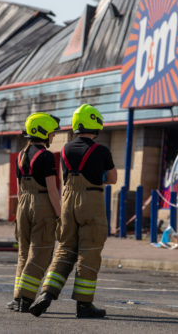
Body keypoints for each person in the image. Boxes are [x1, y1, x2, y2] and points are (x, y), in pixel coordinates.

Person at [29, 104, 117, 319]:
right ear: (95, 123)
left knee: (65, 249)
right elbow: (113, 178)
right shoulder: (101, 150)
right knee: (89, 251)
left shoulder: (66, 149)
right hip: (91, 201)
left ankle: (46, 294)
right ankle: (84, 305)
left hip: (68, 202)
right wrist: (99, 176)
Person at [7, 112, 62, 313]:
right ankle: (27, 298)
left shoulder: (21, 155)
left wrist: (19, 211)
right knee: (40, 252)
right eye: (51, 133)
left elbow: (19, 188)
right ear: (43, 132)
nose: (53, 137)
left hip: (23, 204)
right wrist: (59, 215)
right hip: (41, 204)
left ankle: (16, 298)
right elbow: (52, 190)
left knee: (23, 252)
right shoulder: (46, 156)